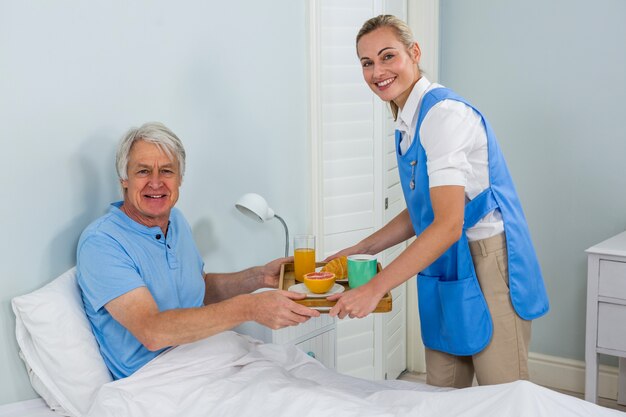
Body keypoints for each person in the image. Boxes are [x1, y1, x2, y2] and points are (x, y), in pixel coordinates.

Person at [326, 15, 549, 388]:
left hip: (487, 258)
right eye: (367, 63)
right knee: (443, 391)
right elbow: (424, 211)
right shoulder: (406, 121)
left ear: (414, 53)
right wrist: (362, 249)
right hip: (447, 259)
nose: (377, 71)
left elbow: (447, 224)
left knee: (502, 394)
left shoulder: (443, 117)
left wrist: (376, 286)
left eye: (387, 56)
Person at [77, 122, 319, 380]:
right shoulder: (102, 242)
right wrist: (249, 307)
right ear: (124, 179)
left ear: (180, 178)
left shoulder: (176, 220)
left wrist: (258, 278)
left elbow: (200, 288)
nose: (156, 183)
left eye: (167, 171)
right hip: (157, 380)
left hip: (208, 357)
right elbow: (152, 331)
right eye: (143, 171)